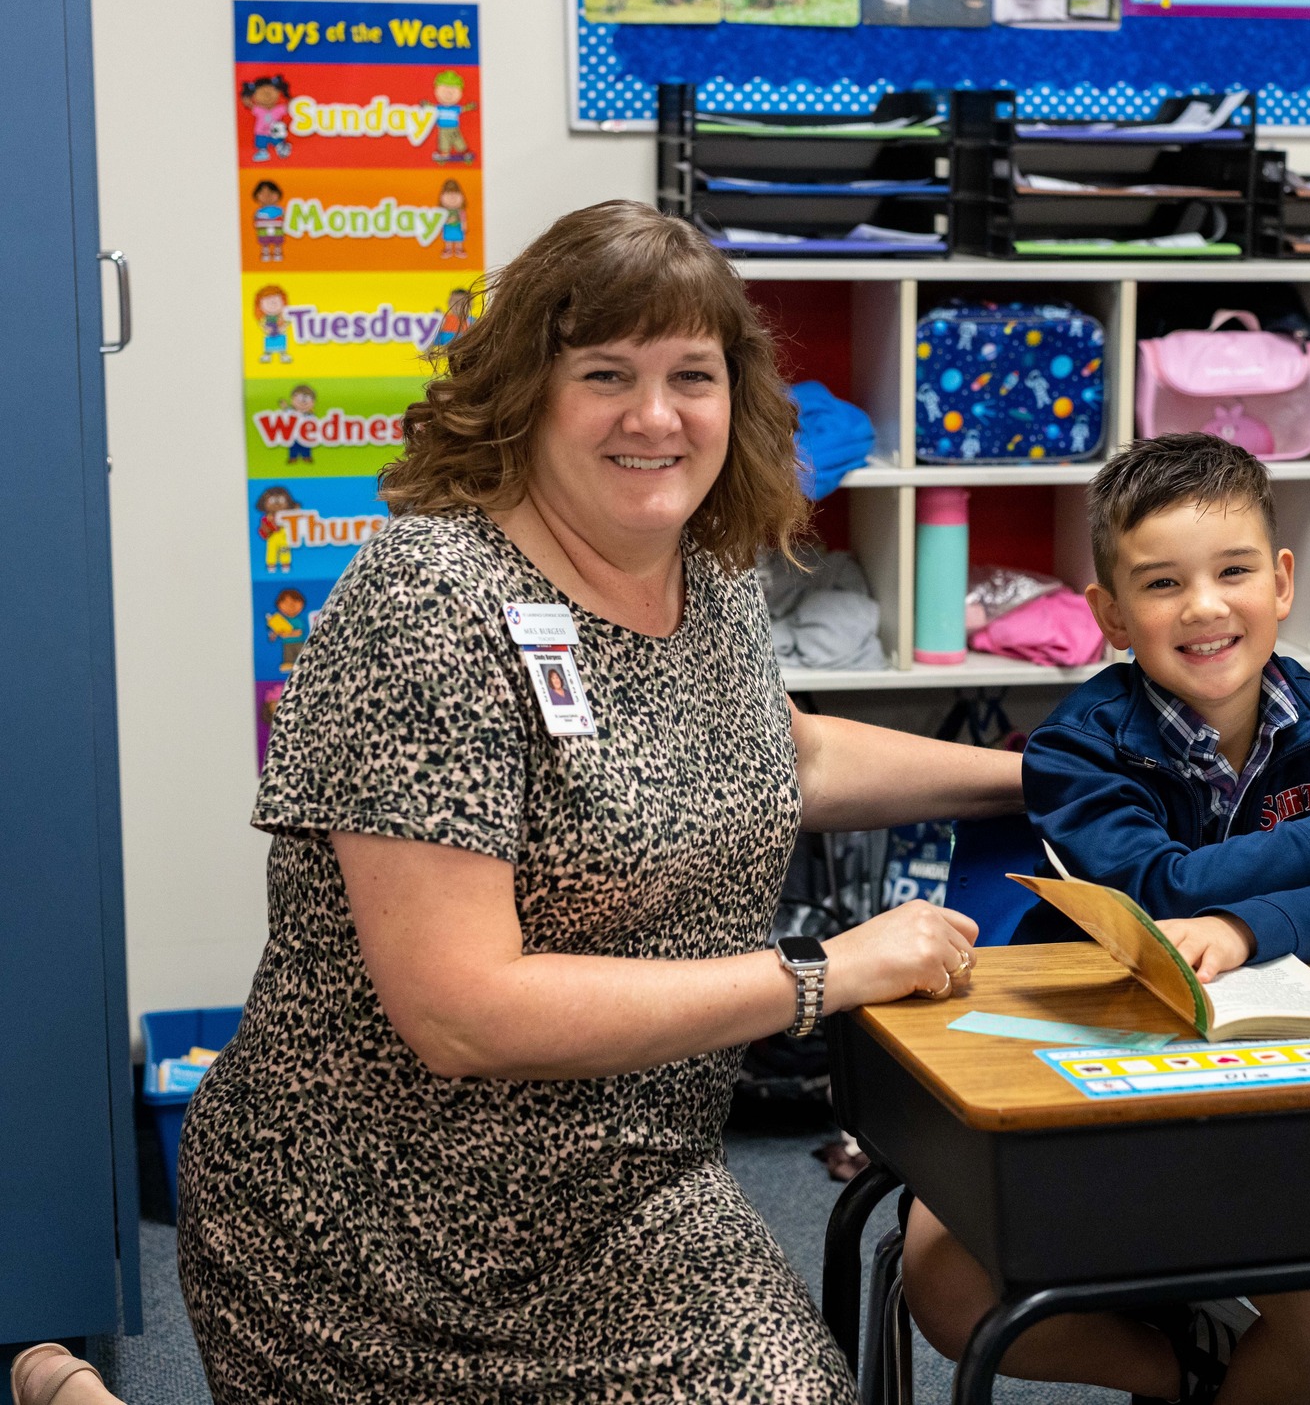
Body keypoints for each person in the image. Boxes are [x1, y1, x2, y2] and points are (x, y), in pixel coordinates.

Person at [176, 200, 1020, 1404]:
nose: (656, 415)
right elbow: (464, 1010)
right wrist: (822, 972)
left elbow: (780, 759)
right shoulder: (428, 605)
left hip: (628, 1195)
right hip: (369, 1226)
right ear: (525, 391)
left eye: (692, 373)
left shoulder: (707, 573)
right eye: (606, 373)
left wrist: (1040, 772)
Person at [901, 434, 1310, 1405]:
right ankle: (1181, 1370)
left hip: (1285, 1087)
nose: (1204, 606)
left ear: (1284, 581)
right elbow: (1161, 887)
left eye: (1234, 570)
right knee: (947, 1282)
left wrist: (1248, 930)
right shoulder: (1073, 746)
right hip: (1081, 1082)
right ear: (1112, 613)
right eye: (1163, 584)